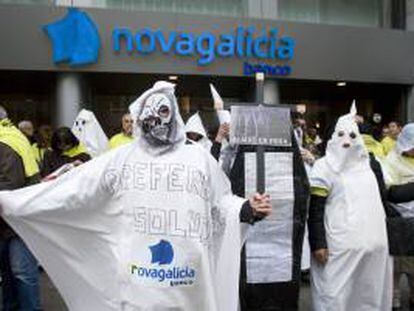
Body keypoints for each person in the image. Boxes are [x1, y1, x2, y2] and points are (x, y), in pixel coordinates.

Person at [0, 81, 272, 311]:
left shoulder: (199, 159)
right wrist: (9, 201)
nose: (155, 121)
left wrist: (246, 209)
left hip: (190, 288)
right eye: (149, 115)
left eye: (163, 112)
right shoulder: (121, 159)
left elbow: (220, 203)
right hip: (139, 289)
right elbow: (73, 190)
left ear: (174, 114)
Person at [308, 103, 392, 311]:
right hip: (338, 252)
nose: (347, 142)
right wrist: (318, 243)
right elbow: (315, 209)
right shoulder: (323, 167)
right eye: (341, 135)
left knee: (368, 296)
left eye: (352, 136)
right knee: (335, 297)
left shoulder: (371, 166)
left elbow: (382, 200)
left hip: (373, 249)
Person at [0, 107, 42, 310]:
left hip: (18, 220)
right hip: (9, 219)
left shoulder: (6, 142)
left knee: (21, 272)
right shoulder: (9, 136)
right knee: (9, 272)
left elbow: (9, 184)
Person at [381, 123, 414, 310]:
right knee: (395, 267)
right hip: (399, 222)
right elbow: (390, 192)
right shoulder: (390, 161)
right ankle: (393, 302)